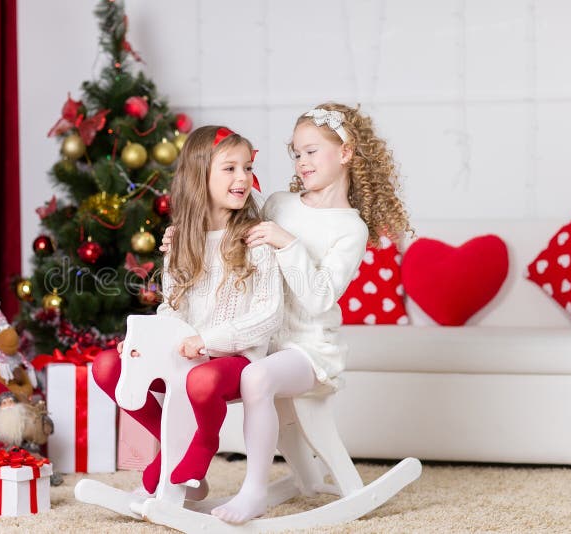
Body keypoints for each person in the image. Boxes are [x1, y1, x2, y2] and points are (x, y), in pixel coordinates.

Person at [163, 103, 411, 522]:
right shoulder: (278, 202)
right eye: (296, 153)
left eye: (312, 151)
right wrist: (184, 236)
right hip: (263, 339)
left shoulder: (350, 227)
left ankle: (254, 490)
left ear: (346, 152)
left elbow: (319, 298)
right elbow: (228, 226)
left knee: (256, 377)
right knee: (193, 367)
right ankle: (174, 474)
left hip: (310, 350)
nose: (302, 161)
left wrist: (288, 243)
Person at [92, 125, 283, 496]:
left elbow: (268, 315)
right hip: (186, 354)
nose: (242, 177)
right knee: (108, 367)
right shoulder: (180, 238)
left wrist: (207, 340)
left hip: (236, 356)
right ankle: (173, 445)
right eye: (230, 168)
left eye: (247, 167)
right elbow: (172, 308)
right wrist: (142, 343)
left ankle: (203, 441)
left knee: (202, 380)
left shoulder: (256, 237)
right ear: (200, 175)